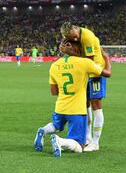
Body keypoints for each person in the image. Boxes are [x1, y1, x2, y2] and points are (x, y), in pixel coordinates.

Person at [34, 40, 112, 157]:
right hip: (77, 110)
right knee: (79, 146)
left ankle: (43, 131)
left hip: (60, 107)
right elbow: (107, 73)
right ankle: (60, 141)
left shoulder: (54, 65)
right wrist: (106, 58)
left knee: (56, 126)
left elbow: (54, 92)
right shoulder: (84, 63)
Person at [60, 22, 107, 151]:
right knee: (85, 105)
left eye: (73, 36)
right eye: (70, 37)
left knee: (96, 106)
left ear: (75, 28)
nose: (73, 39)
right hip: (86, 73)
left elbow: (89, 61)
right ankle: (88, 138)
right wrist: (63, 45)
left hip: (96, 72)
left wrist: (70, 52)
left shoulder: (87, 37)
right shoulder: (74, 36)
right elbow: (68, 41)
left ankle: (95, 142)